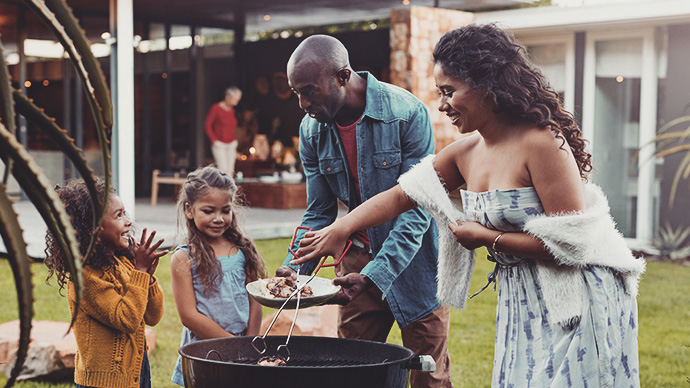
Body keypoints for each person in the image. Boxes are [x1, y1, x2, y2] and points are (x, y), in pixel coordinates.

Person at [292, 24, 645, 387]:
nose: (442, 105)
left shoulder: (543, 143)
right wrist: (342, 228)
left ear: (486, 84)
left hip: (579, 295)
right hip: (522, 296)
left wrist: (486, 237)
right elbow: (401, 195)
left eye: (449, 91)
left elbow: (573, 246)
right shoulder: (465, 153)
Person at [278, 34, 453, 387]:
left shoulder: (407, 114)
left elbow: (416, 209)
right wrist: (296, 268)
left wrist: (377, 274)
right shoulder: (311, 131)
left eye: (309, 90)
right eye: (296, 92)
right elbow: (319, 212)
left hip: (416, 264)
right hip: (354, 267)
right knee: (353, 374)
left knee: (427, 377)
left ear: (343, 76)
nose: (302, 103)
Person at [44, 178, 166, 388]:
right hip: (103, 382)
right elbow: (126, 319)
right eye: (118, 215)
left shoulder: (123, 263)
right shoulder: (85, 277)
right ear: (91, 229)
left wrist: (149, 278)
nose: (127, 221)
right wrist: (140, 272)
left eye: (124, 213)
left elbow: (153, 316)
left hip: (136, 372)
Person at [170, 166, 266, 386]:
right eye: (208, 210)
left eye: (225, 210)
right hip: (204, 351)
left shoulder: (242, 249)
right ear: (189, 210)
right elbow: (188, 316)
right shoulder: (184, 257)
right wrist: (232, 344)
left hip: (243, 348)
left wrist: (248, 345)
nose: (218, 218)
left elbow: (255, 300)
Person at [205, 86, 242, 177]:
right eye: (235, 100)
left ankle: (228, 190)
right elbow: (207, 125)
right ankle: (222, 189)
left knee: (230, 170)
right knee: (223, 169)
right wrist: (214, 140)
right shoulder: (216, 108)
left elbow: (232, 127)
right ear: (228, 97)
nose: (236, 103)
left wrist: (235, 141)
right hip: (219, 144)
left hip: (231, 143)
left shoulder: (232, 111)